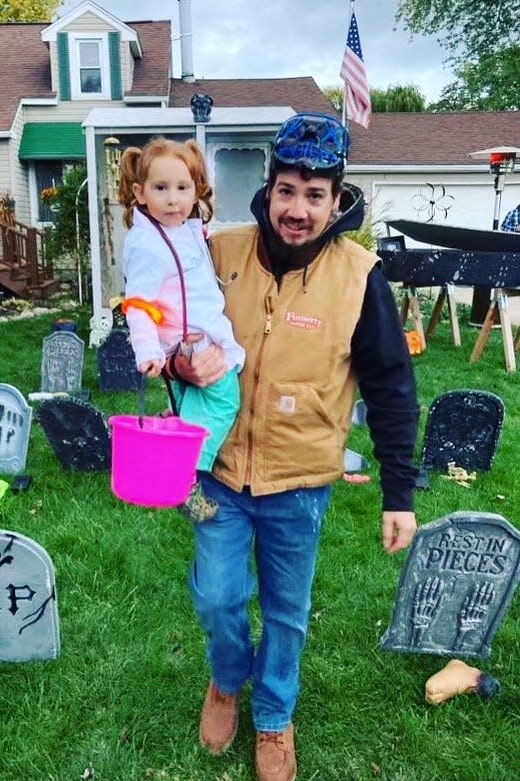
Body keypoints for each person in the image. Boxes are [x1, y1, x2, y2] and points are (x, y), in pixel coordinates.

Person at [163, 113, 420, 781]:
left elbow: (392, 386)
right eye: (286, 190)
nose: (297, 209)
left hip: (301, 484)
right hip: (214, 477)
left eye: (314, 194)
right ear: (267, 190)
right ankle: (226, 680)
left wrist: (398, 495)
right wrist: (175, 364)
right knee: (216, 597)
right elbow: (161, 330)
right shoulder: (220, 254)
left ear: (337, 201)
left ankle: (273, 715)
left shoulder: (360, 276)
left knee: (285, 610)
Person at [118, 138, 245, 523]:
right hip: (189, 343)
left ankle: (177, 420)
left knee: (210, 397)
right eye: (161, 188)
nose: (173, 199)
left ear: (196, 190)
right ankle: (185, 475)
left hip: (202, 332)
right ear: (140, 194)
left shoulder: (184, 229)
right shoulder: (146, 246)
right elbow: (138, 305)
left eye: (182, 188)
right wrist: (149, 353)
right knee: (225, 399)